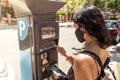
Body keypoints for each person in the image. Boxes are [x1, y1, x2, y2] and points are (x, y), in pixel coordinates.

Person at [53, 6, 111, 80]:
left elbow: (83, 64)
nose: (75, 30)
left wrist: (59, 78)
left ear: (83, 27)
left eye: (75, 27)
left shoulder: (82, 59)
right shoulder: (103, 47)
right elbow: (85, 69)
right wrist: (66, 55)